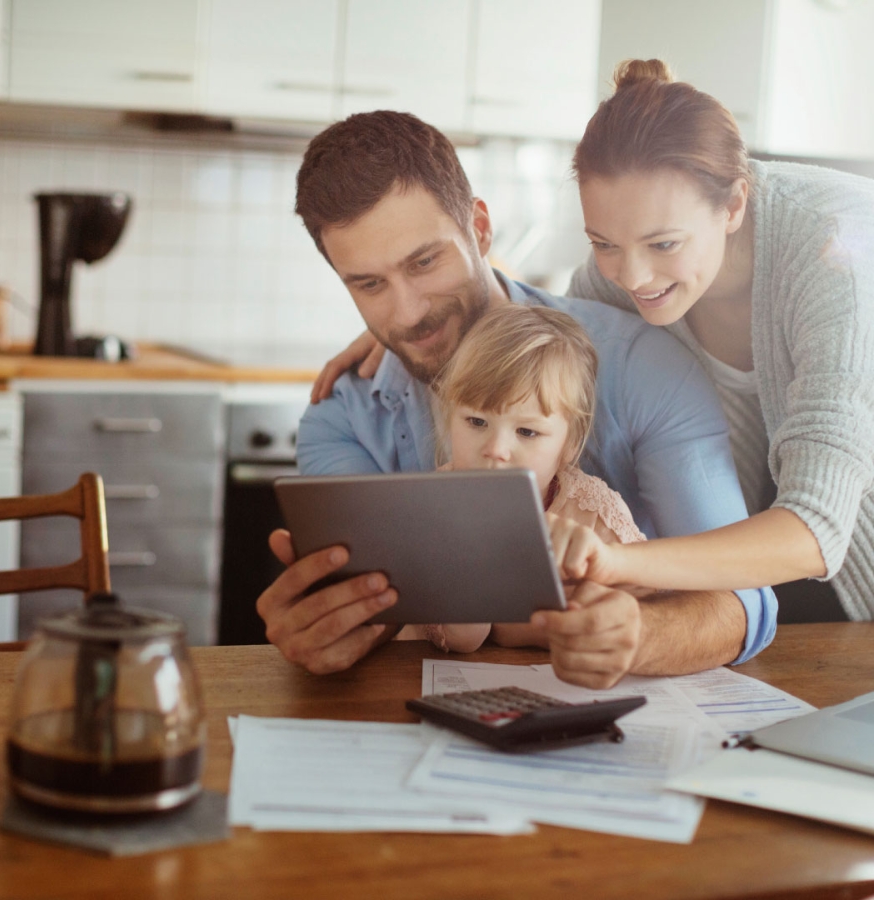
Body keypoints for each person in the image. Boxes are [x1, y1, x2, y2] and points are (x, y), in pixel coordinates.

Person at [255, 109, 777, 689]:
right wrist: (332, 626)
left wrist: (639, 636)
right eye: (369, 284)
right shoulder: (341, 418)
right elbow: (375, 610)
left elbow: (743, 603)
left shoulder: (642, 366)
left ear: (479, 229)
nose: (407, 313)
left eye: (424, 262)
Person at [549, 59, 874, 621]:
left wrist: (621, 562)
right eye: (604, 243)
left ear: (733, 206)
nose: (632, 277)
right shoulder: (615, 274)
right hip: (758, 560)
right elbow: (544, 342)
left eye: (665, 245)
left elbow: (816, 527)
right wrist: (413, 335)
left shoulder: (835, 257)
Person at [398, 303, 648, 655]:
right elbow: (460, 639)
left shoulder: (594, 513)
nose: (497, 449)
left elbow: (646, 607)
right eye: (476, 422)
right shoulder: (431, 508)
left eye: (527, 432)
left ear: (569, 444)